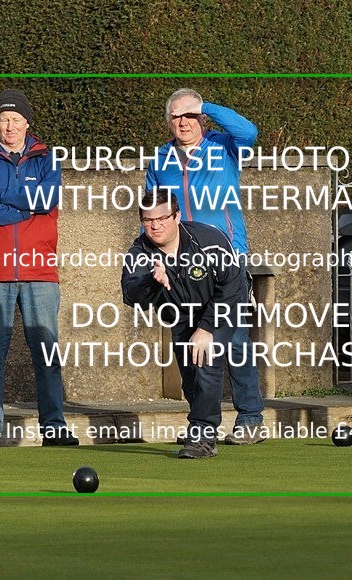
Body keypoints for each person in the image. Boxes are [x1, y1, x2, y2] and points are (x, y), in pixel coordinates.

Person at [145, 88, 265, 445]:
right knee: (187, 347)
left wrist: (207, 106)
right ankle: (201, 424)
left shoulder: (225, 146)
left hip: (226, 257)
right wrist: (155, 257)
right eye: (177, 116)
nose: (183, 122)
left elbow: (250, 132)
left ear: (202, 119)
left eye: (190, 115)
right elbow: (150, 211)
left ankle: (250, 418)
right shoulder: (161, 158)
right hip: (179, 264)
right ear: (168, 121)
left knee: (235, 342)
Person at [0, 89, 78, 447]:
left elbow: (47, 199)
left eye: (16, 119)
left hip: (38, 268)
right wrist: (23, 208)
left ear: (27, 122)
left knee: (46, 351)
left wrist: (1, 198)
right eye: (3, 120)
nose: (9, 126)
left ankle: (54, 427)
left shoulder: (47, 158)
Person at [121, 188, 249, 459]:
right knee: (191, 379)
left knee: (204, 358)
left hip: (222, 304)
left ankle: (203, 434)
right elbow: (131, 294)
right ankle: (201, 422)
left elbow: (233, 284)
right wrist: (151, 281)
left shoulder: (209, 239)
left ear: (177, 216)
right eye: (147, 220)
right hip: (181, 315)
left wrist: (208, 327)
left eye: (162, 218)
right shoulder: (139, 252)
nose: (154, 226)